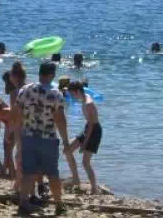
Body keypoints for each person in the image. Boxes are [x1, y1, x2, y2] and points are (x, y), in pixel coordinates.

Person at [14, 61, 69, 216]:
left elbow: (17, 117)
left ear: (39, 73)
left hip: (28, 137)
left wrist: (18, 139)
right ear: (52, 75)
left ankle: (24, 202)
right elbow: (60, 120)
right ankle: (59, 204)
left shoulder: (25, 90)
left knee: (28, 172)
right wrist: (66, 141)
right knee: (52, 173)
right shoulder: (56, 94)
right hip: (48, 138)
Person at [64, 80, 102, 194]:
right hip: (88, 128)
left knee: (85, 162)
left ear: (77, 92)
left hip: (94, 131)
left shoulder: (88, 103)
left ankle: (94, 188)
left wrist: (84, 143)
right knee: (67, 150)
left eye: (72, 94)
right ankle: (75, 178)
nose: (71, 96)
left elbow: (91, 125)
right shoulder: (84, 96)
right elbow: (88, 125)